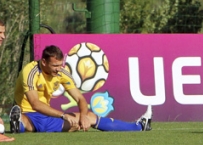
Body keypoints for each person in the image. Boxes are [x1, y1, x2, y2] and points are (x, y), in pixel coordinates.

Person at [10, 45, 152, 133]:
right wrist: (63, 115)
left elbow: (80, 98)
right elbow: (34, 103)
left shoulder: (62, 73)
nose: (58, 69)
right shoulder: (31, 71)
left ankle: (139, 127)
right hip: (28, 113)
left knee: (90, 116)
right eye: (55, 66)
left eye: (60, 65)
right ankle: (19, 124)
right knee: (27, 122)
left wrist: (83, 116)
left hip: (49, 116)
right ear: (44, 62)